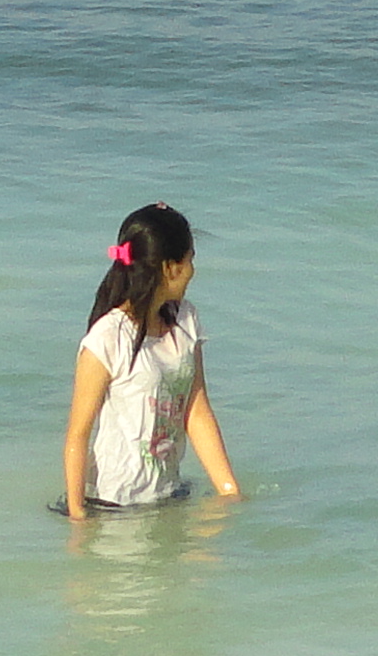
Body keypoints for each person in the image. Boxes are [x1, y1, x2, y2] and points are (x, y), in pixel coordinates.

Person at [59, 203, 243, 520]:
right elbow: (78, 434)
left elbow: (196, 409)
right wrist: (78, 517)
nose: (193, 271)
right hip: (112, 504)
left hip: (169, 496)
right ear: (170, 268)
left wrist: (230, 491)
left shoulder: (186, 320)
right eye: (190, 260)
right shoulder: (107, 338)